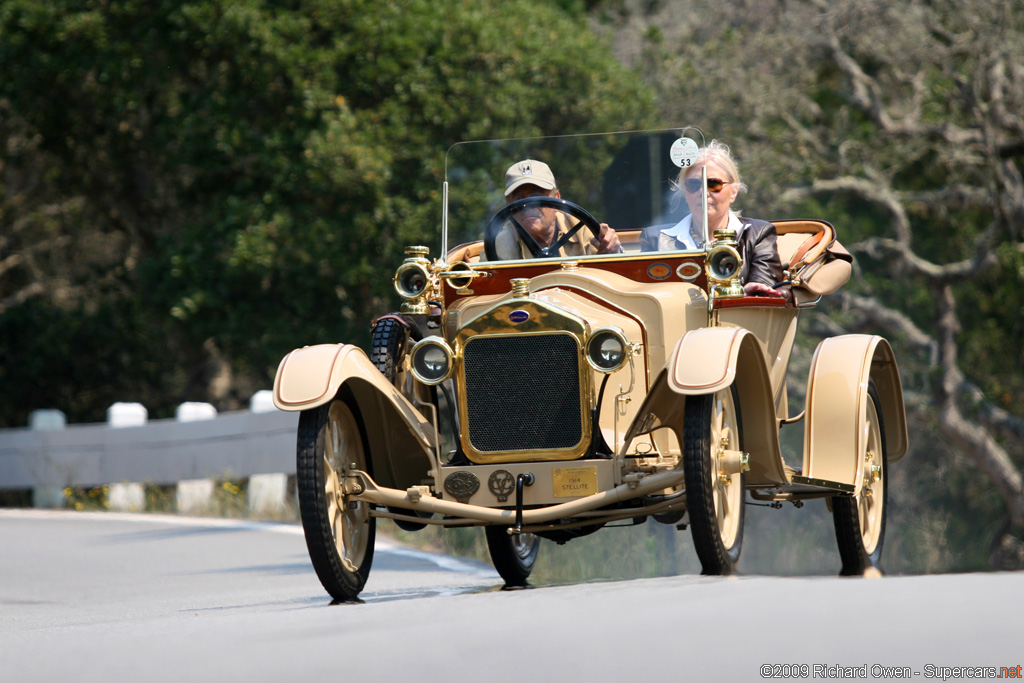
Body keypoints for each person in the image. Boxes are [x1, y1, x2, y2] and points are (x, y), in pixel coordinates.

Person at [641, 141, 788, 299]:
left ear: (733, 192)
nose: (703, 192)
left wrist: (749, 291)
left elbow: (764, 288)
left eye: (713, 184)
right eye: (694, 184)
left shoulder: (758, 235)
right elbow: (641, 293)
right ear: (684, 192)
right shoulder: (656, 239)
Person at [488, 159, 622, 260]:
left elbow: (610, 276)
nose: (528, 206)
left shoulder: (580, 230)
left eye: (536, 197)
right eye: (519, 199)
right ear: (509, 208)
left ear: (557, 200)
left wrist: (612, 251)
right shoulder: (502, 242)